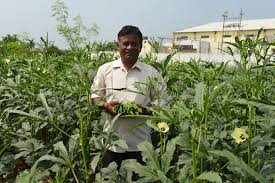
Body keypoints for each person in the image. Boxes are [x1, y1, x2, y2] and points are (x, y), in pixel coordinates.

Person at [91, 25, 166, 168]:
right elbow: (95, 96)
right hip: (111, 143)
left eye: (134, 44)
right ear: (118, 45)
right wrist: (105, 105)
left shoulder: (152, 73)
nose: (129, 47)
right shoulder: (105, 70)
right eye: (125, 43)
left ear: (140, 47)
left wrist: (143, 110)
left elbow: (161, 104)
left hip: (141, 146)